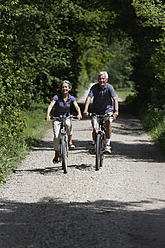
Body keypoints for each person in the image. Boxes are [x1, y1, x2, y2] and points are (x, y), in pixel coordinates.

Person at [46, 80, 82, 163]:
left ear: (69, 88)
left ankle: (70, 142)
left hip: (66, 117)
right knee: (56, 136)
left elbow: (77, 107)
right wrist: (48, 115)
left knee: (68, 124)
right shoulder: (57, 97)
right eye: (63, 87)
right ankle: (56, 154)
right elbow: (50, 106)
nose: (64, 88)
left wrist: (79, 114)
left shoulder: (71, 97)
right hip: (57, 118)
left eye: (66, 87)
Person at [83, 71, 118, 154]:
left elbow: (115, 99)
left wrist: (116, 111)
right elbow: (88, 98)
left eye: (103, 79)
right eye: (100, 79)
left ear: (106, 79)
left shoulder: (109, 87)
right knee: (95, 128)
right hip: (96, 111)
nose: (101, 80)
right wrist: (85, 110)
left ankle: (107, 145)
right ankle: (94, 143)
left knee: (108, 123)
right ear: (98, 80)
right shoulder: (94, 87)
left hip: (108, 110)